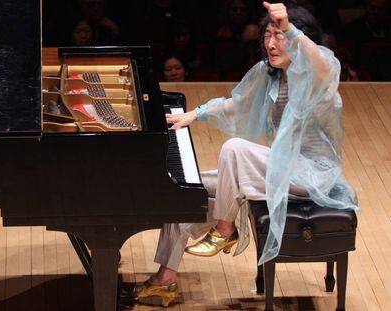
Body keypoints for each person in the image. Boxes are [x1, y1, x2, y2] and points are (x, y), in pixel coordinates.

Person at [134, 2, 359, 307]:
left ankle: (225, 229)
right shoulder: (270, 74)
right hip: (282, 165)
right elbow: (236, 104)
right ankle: (165, 279)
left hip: (310, 174)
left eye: (279, 36)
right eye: (268, 35)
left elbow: (320, 62)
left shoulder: (318, 77)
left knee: (235, 150)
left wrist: (288, 27)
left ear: (298, 38)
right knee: (186, 188)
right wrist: (194, 114)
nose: (270, 43)